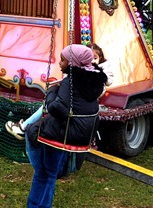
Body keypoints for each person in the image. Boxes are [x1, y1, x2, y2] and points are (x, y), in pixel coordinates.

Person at [24, 45, 105, 208]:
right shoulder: (93, 79)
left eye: (62, 60)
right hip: (83, 131)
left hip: (68, 131)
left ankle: (40, 184)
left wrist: (52, 90)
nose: (60, 63)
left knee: (31, 131)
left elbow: (57, 108)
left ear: (72, 62)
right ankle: (43, 190)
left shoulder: (71, 80)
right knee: (50, 170)